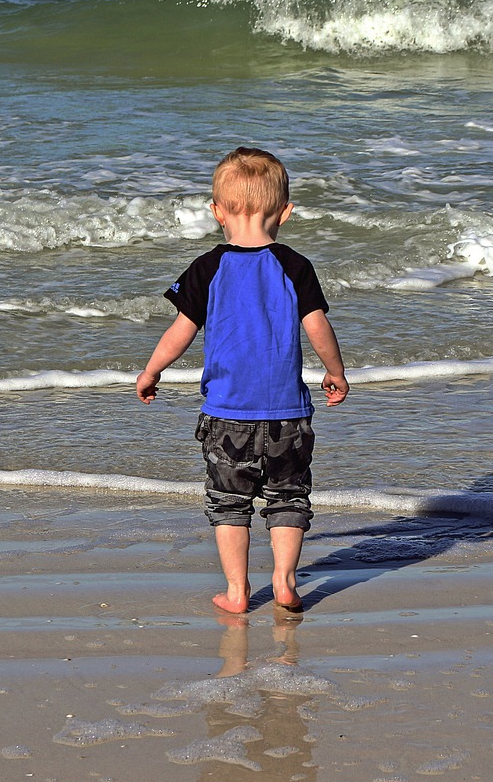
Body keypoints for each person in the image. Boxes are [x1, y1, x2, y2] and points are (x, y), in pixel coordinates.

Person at [136, 147, 349, 614]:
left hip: (226, 414)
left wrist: (153, 370)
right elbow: (318, 328)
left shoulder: (207, 267)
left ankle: (237, 592)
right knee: (288, 497)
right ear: (285, 212)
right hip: (289, 415)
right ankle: (286, 582)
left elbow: (181, 332)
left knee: (229, 503)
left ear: (216, 212)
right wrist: (335, 372)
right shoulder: (295, 266)